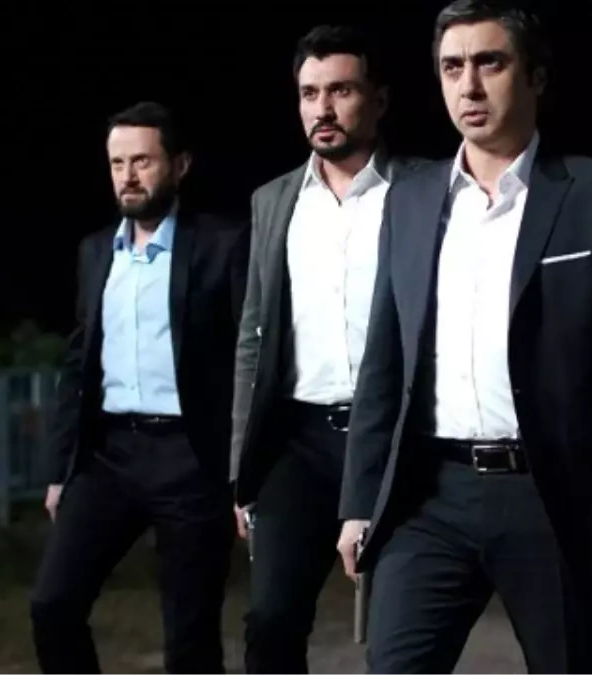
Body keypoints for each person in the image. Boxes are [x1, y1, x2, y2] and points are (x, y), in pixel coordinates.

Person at [335, 1, 592, 673]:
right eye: (452, 68)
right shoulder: (409, 199)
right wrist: (359, 501)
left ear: (536, 77)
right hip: (428, 497)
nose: (469, 85)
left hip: (551, 496)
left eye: (490, 63)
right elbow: (384, 361)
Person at [228, 24, 426, 675]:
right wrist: (242, 468)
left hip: (395, 436)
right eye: (310, 93)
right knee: (271, 622)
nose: (323, 108)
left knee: (399, 635)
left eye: (341, 90)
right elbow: (253, 338)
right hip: (299, 441)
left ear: (378, 99)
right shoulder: (273, 201)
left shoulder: (422, 190)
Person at [29, 101, 249, 675]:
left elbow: (250, 362)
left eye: (142, 161)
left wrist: (244, 476)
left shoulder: (224, 244)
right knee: (52, 605)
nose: (127, 176)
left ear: (179, 165)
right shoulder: (95, 250)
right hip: (109, 458)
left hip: (192, 459)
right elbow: (78, 363)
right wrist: (60, 469)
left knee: (190, 639)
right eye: (117, 163)